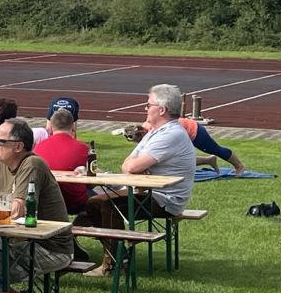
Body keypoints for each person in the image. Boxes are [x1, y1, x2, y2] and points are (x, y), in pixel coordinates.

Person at [78, 85, 196, 267]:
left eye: (149, 105)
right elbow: (126, 164)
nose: (145, 108)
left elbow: (132, 165)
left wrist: (136, 167)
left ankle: (115, 264)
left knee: (106, 205)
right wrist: (135, 167)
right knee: (93, 204)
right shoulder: (155, 133)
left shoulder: (171, 134)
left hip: (166, 199)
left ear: (162, 109)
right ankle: (113, 252)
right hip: (149, 193)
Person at [0, 118, 75, 293]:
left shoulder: (32, 164)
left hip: (50, 247)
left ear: (18, 147)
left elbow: (17, 210)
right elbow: (2, 209)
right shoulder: (0, 163)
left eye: (0, 141)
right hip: (17, 240)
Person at [33, 107, 91, 213]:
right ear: (73, 126)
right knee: (100, 202)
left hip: (46, 200)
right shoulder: (83, 148)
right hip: (74, 201)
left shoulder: (39, 147)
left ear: (51, 126)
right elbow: (91, 177)